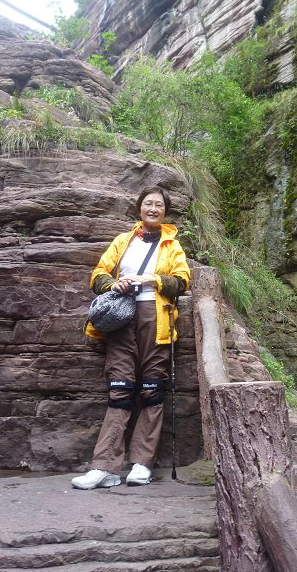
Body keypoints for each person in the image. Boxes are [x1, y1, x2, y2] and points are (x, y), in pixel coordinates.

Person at [71, 186, 190, 489]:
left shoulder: (172, 246)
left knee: (152, 389)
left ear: (165, 212)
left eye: (159, 205)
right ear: (139, 208)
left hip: (157, 317)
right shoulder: (123, 241)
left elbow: (182, 281)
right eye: (148, 203)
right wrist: (114, 284)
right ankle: (105, 467)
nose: (153, 209)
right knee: (119, 389)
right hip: (122, 317)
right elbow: (98, 274)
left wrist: (152, 279)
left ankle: (142, 464)